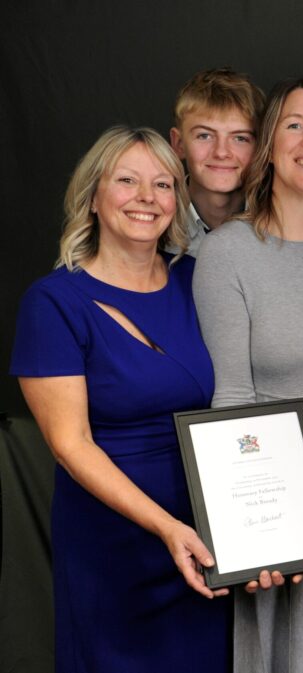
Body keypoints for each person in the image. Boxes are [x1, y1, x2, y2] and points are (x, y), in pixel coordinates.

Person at [10, 126, 231, 672]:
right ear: (92, 195)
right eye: (127, 181)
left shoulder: (198, 282)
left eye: (162, 184)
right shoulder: (53, 302)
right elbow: (70, 445)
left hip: (209, 537)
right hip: (114, 546)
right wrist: (166, 528)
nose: (146, 198)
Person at [193, 77, 303, 673]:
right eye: (295, 124)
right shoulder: (228, 254)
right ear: (269, 144)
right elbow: (232, 397)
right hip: (280, 494)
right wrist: (248, 535)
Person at [168, 67, 264, 255]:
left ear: (260, 148)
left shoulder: (279, 226)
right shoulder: (153, 225)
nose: (221, 152)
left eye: (240, 138)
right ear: (179, 144)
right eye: (204, 136)